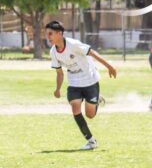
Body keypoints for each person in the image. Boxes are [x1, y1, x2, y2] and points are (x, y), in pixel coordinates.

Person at [46, 21, 117, 150]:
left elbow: (92, 53)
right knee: (75, 108)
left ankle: (96, 98)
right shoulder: (53, 52)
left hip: (90, 80)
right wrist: (57, 89)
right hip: (74, 83)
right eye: (47, 34)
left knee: (90, 115)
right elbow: (59, 73)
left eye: (50, 33)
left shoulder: (73, 44)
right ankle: (91, 141)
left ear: (59, 33)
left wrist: (109, 66)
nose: (48, 36)